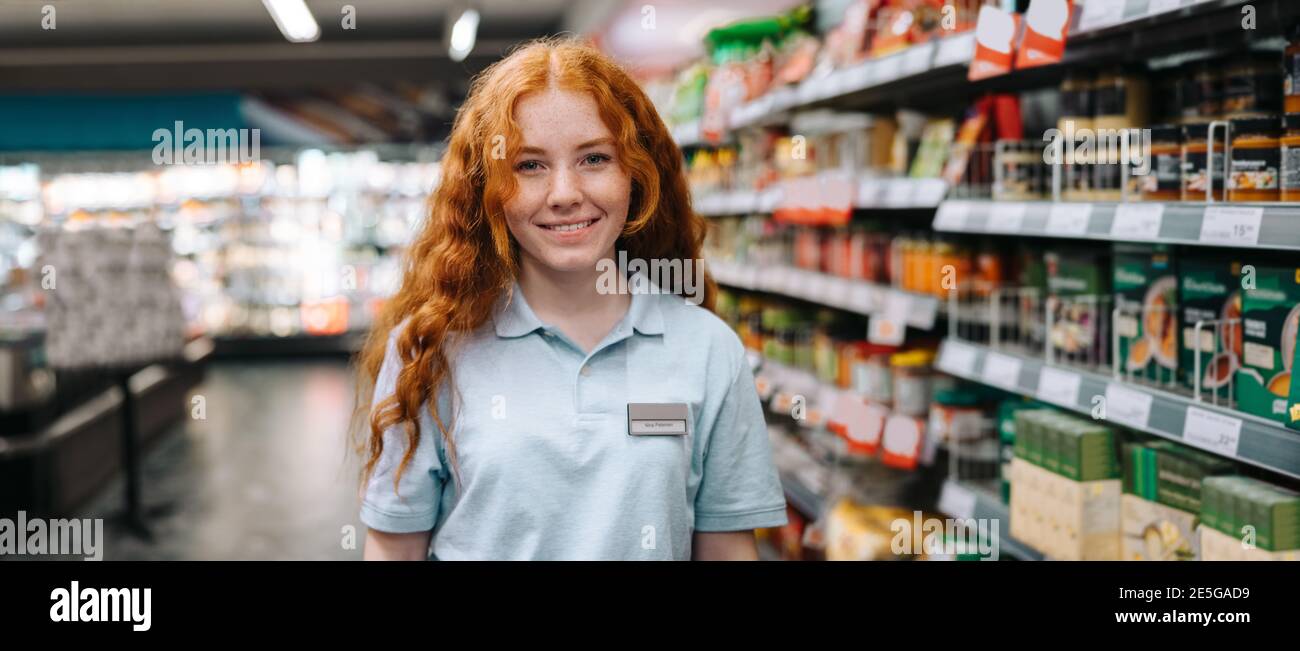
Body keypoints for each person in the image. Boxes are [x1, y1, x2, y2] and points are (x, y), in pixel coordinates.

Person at [352, 37, 786, 560]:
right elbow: (392, 547)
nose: (564, 193)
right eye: (529, 165)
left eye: (594, 158)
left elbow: (727, 547)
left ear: (637, 173)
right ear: (487, 187)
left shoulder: (708, 350)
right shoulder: (430, 350)